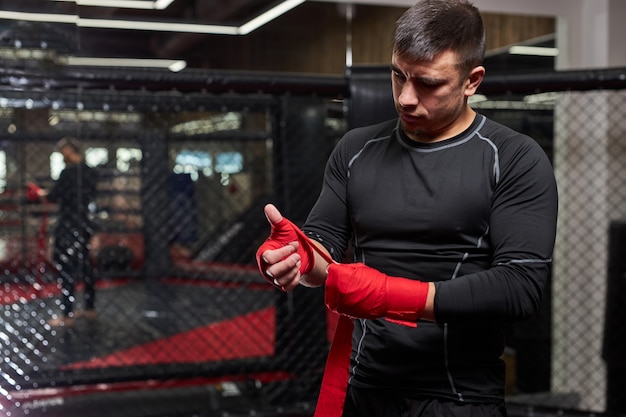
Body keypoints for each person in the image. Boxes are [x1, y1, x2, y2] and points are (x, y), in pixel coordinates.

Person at [256, 1, 559, 416]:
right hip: (365, 386)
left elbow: (520, 286)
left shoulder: (513, 157)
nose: (406, 97)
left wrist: (389, 296)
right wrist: (298, 255)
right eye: (398, 75)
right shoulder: (356, 149)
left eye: (428, 83)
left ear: (472, 81)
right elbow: (324, 250)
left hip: (459, 396)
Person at [35, 137, 99, 327]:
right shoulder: (90, 172)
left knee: (66, 266)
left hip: (69, 223)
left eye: (63, 152)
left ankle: (66, 314)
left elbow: (55, 196)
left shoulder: (68, 173)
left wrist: (43, 195)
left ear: (71, 150)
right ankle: (89, 308)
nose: (62, 157)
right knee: (86, 265)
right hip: (84, 222)